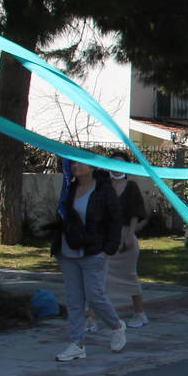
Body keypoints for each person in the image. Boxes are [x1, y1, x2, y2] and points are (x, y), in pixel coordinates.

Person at [50, 158, 127, 361]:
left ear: (92, 167)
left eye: (80, 163)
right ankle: (77, 344)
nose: (75, 166)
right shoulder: (69, 188)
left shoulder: (103, 190)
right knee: (74, 301)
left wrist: (108, 250)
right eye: (73, 164)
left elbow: (115, 220)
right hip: (68, 252)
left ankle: (117, 326)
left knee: (95, 296)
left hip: (94, 252)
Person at [104, 150, 150, 327]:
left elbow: (135, 214)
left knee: (130, 276)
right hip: (106, 237)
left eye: (120, 164)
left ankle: (140, 313)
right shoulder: (104, 186)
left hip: (124, 236)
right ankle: (90, 316)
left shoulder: (131, 187)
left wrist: (129, 235)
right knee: (99, 277)